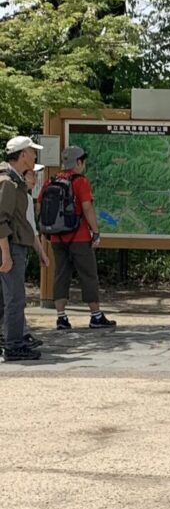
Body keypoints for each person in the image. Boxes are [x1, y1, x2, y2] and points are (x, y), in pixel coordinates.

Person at [48, 146, 116, 330]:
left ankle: (61, 318)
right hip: (79, 236)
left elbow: (41, 207)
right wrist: (96, 231)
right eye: (82, 161)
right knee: (88, 274)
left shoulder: (51, 181)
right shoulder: (80, 181)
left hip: (57, 238)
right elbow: (87, 208)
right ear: (78, 162)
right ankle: (96, 315)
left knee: (61, 275)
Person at [0, 135, 45, 361]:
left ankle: (10, 341)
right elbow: (1, 220)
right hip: (10, 246)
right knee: (15, 298)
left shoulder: (13, 179)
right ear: (23, 154)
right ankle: (14, 345)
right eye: (32, 151)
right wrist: (6, 254)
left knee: (7, 298)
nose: (35, 156)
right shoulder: (7, 182)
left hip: (13, 245)